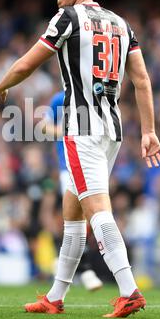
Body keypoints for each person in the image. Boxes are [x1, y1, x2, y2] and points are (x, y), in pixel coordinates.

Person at [0, 0, 160, 318]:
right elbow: (142, 80)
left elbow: (27, 63)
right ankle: (55, 297)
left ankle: (129, 290)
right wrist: (148, 130)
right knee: (73, 212)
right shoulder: (121, 24)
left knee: (97, 209)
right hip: (111, 129)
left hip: (80, 127)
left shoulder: (67, 18)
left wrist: (0, 85)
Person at [45, 90, 103, 291]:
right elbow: (44, 127)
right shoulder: (59, 99)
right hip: (67, 167)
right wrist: (68, 131)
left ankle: (65, 267)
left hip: (91, 164)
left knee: (86, 216)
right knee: (76, 216)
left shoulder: (91, 96)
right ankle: (85, 270)